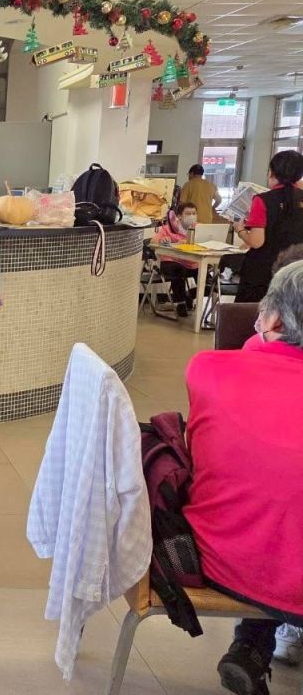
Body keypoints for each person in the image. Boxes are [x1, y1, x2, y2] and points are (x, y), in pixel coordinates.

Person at [182, 261, 303, 694]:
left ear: (271, 319)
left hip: (216, 556)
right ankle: (254, 645)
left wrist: (263, 337)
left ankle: (251, 647)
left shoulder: (206, 369)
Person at [234, 150, 303, 302]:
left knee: (253, 314)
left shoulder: (263, 200)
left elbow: (256, 242)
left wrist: (240, 229)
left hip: (263, 272)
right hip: (295, 272)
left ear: (272, 173)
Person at [153, 202, 199, 317]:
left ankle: (190, 295)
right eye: (188, 213)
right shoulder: (168, 229)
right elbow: (153, 242)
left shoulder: (199, 228)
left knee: (208, 277)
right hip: (172, 262)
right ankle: (181, 303)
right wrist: (162, 241)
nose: (192, 216)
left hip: (192, 263)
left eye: (194, 213)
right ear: (179, 216)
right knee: (177, 269)